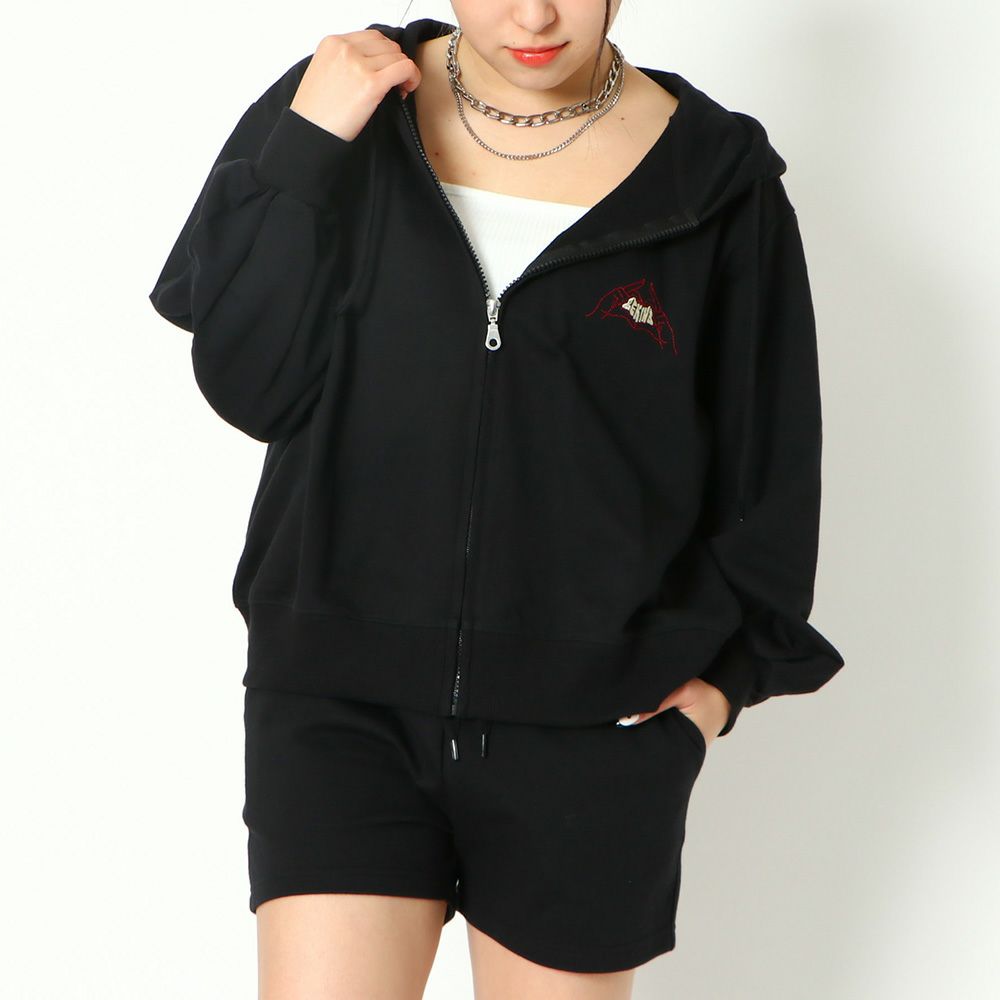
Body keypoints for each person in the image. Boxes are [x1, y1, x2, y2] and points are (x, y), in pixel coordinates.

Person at [148, 4, 846, 997]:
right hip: (337, 704)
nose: (533, 15)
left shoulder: (714, 177)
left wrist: (720, 688)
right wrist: (309, 144)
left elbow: (768, 468)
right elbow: (248, 385)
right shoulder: (340, 106)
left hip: (589, 735)